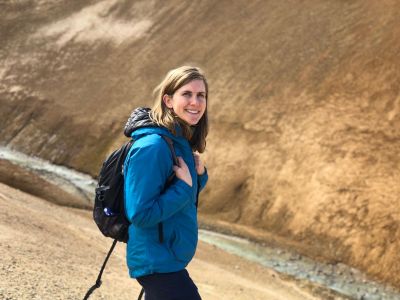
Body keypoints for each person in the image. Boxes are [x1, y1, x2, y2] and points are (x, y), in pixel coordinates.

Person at [123, 66, 209, 300]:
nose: (195, 102)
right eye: (187, 94)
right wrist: (184, 186)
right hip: (156, 260)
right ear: (168, 100)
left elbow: (178, 196)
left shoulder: (178, 142)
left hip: (168, 257)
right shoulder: (152, 147)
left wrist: (198, 177)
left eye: (201, 95)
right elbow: (140, 214)